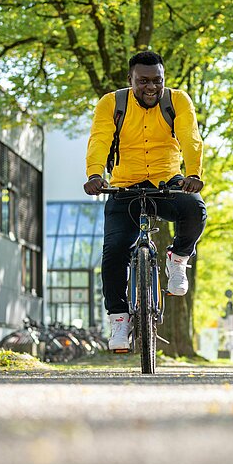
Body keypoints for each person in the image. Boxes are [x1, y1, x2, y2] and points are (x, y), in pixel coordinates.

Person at [84, 51, 207, 352]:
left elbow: (191, 138)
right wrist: (95, 174)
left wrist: (193, 173)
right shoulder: (112, 103)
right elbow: (99, 139)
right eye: (143, 81)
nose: (151, 87)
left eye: (157, 81)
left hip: (167, 182)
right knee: (114, 252)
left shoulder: (178, 101)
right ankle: (119, 319)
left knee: (195, 209)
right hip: (124, 185)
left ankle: (177, 258)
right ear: (130, 80)